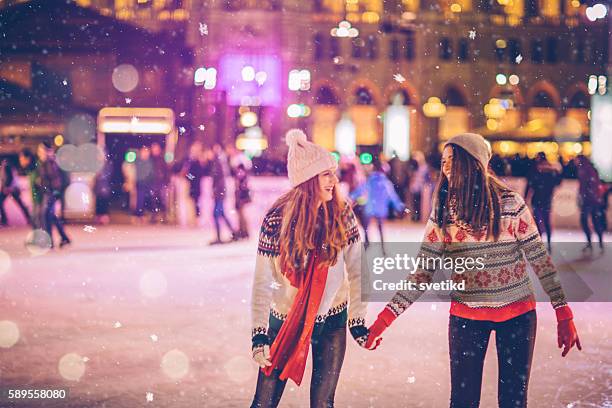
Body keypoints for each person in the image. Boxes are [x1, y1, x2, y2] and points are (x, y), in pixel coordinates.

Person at [366, 133, 581, 408]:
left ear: (473, 162)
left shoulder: (510, 203)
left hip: (517, 317)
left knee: (513, 402)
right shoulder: (443, 211)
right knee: (463, 402)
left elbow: (540, 259)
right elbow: (422, 273)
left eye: (453, 160)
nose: (445, 167)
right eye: (443, 161)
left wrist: (563, 312)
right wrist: (383, 320)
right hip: (466, 319)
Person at [250, 129, 376, 408]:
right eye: (326, 174)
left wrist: (357, 320)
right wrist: (259, 333)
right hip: (286, 320)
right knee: (264, 402)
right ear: (308, 180)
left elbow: (358, 271)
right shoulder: (277, 219)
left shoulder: (342, 214)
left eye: (333, 172)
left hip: (332, 321)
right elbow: (262, 280)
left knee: (323, 404)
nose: (334, 180)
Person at [349, 159, 405, 246]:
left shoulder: (370, 181)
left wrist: (350, 197)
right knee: (380, 227)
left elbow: (360, 190)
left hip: (370, 207)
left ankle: (367, 241)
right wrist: (399, 206)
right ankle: (382, 244)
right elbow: (392, 196)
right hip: (381, 209)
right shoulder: (386, 183)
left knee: (366, 226)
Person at [524, 152, 562, 251]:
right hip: (545, 200)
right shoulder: (549, 171)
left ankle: (540, 243)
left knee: (538, 222)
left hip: (538, 200)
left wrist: (526, 197)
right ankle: (547, 243)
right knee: (545, 221)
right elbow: (558, 182)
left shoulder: (537, 170)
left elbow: (530, 185)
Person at [37, 143, 71, 248]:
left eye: (41, 150)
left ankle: (50, 241)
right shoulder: (46, 162)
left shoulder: (49, 162)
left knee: (45, 215)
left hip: (50, 193)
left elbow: (55, 180)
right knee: (50, 216)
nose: (39, 152)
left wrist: (53, 192)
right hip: (50, 192)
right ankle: (64, 238)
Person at [575, 155, 605, 251]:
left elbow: (591, 185)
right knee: (592, 221)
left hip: (590, 201)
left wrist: (589, 196)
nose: (575, 162)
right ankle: (595, 242)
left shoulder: (587, 170)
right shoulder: (584, 169)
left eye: (577, 160)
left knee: (590, 221)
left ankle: (595, 242)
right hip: (590, 200)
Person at [208, 144, 237, 244]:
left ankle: (220, 237)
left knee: (216, 214)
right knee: (221, 214)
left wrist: (217, 191)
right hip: (219, 192)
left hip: (219, 193)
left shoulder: (218, 161)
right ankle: (233, 232)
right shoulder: (219, 161)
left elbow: (219, 179)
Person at [0, 157, 32, 226]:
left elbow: (8, 178)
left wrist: (6, 187)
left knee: (19, 203)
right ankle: (29, 218)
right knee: (20, 204)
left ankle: (4, 220)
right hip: (11, 188)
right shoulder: (6, 166)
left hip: (10, 188)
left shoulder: (6, 166)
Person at [18, 149, 42, 229]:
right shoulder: (30, 169)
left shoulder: (37, 167)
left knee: (37, 220)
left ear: (28, 158)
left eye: (22, 159)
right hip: (36, 199)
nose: (21, 162)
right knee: (35, 219)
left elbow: (42, 182)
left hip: (41, 199)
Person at [133, 146, 154, 223]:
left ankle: (144, 214)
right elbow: (138, 172)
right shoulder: (138, 162)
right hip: (140, 183)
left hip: (148, 183)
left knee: (147, 199)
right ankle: (138, 214)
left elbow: (151, 172)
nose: (146, 154)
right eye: (144, 152)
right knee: (139, 199)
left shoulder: (149, 161)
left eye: (147, 152)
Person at [150, 143, 169, 223]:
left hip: (161, 182)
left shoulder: (162, 159)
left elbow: (166, 171)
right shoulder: (150, 160)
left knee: (163, 200)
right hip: (153, 182)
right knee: (154, 200)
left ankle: (164, 217)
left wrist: (166, 181)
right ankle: (154, 217)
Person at [408, 151, 429, 222]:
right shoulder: (416, 166)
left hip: (421, 187)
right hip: (415, 187)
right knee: (414, 202)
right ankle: (415, 216)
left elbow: (426, 178)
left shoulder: (425, 167)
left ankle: (418, 216)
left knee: (419, 202)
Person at [93, 151, 113, 225]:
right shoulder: (97, 165)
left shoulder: (107, 165)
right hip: (99, 187)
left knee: (104, 202)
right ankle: (99, 216)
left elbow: (108, 175)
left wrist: (101, 176)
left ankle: (104, 217)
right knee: (98, 202)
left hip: (104, 187)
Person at [233, 163, 251, 239]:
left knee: (241, 215)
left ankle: (244, 231)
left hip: (241, 198)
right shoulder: (243, 176)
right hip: (241, 198)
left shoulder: (241, 176)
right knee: (241, 215)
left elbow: (241, 188)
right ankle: (243, 231)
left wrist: (240, 198)